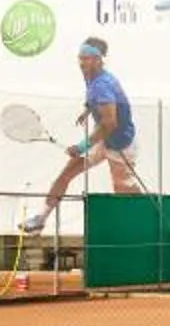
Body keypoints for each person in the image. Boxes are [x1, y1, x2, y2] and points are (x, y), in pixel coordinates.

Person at [24, 38, 144, 230]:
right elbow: (93, 97)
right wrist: (87, 109)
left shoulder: (103, 84)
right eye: (80, 58)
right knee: (66, 173)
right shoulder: (91, 76)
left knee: (125, 193)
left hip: (122, 145)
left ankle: (144, 218)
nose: (82, 63)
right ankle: (40, 218)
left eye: (87, 58)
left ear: (98, 59)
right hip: (102, 140)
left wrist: (81, 147)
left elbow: (110, 123)